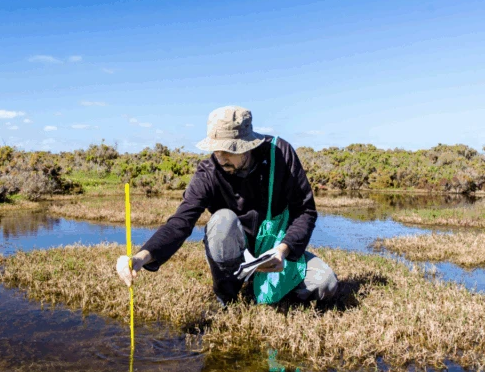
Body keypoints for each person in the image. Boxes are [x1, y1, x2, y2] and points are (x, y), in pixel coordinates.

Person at [115, 105, 337, 306]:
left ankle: (264, 289)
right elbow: (180, 222)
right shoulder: (208, 173)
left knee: (325, 284)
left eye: (228, 150)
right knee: (222, 221)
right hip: (234, 251)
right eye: (216, 150)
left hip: (274, 249)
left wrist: (283, 250)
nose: (220, 157)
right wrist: (140, 258)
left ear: (248, 146)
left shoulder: (280, 155)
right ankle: (227, 294)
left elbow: (304, 210)